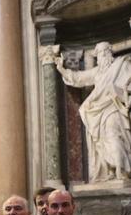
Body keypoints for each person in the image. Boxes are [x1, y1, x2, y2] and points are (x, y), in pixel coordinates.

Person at [56, 42, 131, 181]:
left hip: (114, 108)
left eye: (104, 52)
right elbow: (79, 77)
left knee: (113, 136)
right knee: (102, 141)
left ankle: (122, 170)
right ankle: (110, 170)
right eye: (99, 54)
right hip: (97, 111)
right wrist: (61, 68)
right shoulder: (97, 72)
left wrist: (124, 94)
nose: (102, 56)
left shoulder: (122, 65)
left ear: (110, 52)